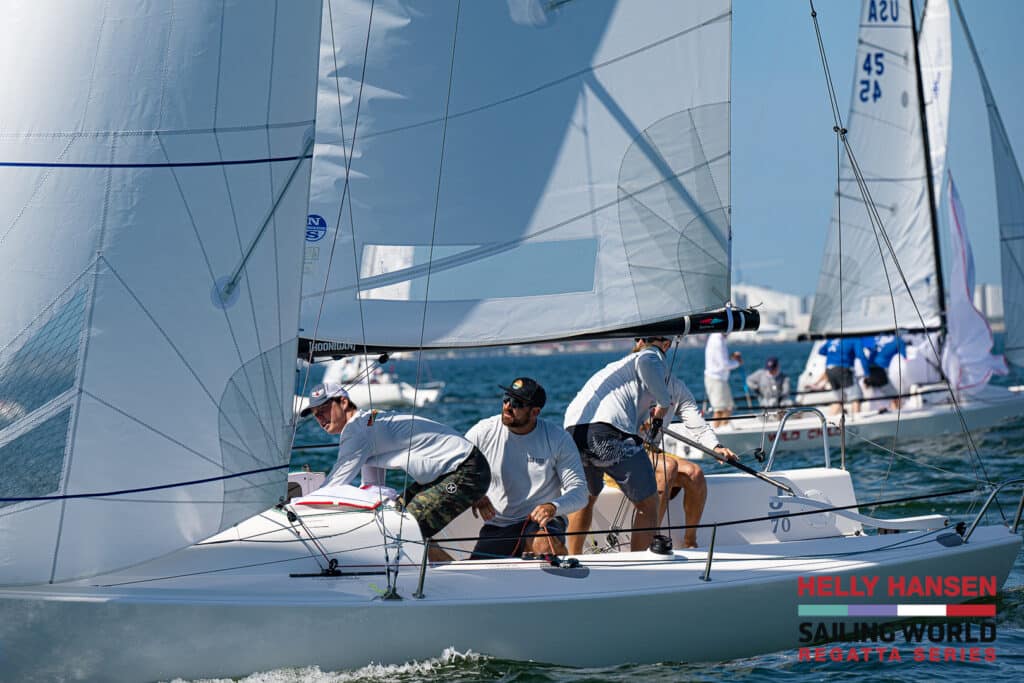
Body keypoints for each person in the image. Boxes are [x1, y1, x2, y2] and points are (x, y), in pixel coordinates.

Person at [301, 381, 489, 560]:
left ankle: (449, 574)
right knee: (396, 519)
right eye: (315, 414)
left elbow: (333, 485)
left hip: (465, 470)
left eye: (324, 410)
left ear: (343, 403)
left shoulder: (357, 432)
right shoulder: (368, 420)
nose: (320, 419)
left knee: (405, 528)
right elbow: (372, 486)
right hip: (455, 469)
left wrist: (298, 509)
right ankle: (436, 567)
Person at [563, 336, 675, 554]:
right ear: (666, 344)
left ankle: (573, 560)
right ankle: (639, 566)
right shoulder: (651, 355)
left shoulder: (614, 367)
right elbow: (646, 362)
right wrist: (663, 404)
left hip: (573, 433)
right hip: (606, 435)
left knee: (585, 499)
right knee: (648, 503)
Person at [465, 377, 587, 559]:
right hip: (498, 525)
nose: (507, 406)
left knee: (544, 546)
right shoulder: (483, 432)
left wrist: (552, 507)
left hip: (541, 522)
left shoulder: (558, 439)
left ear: (535, 412)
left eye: (516, 403)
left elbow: (580, 492)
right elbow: (455, 468)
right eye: (506, 399)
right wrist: (476, 494)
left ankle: (566, 570)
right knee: (471, 572)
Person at [645, 372, 737, 548]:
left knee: (695, 474)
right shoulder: (631, 382)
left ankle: (690, 542)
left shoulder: (676, 387)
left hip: (652, 451)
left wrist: (715, 447)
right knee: (667, 468)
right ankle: (651, 540)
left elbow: (698, 425)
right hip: (627, 450)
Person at [809, 337, 866, 415]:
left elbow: (821, 351)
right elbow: (861, 356)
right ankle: (857, 419)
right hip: (844, 369)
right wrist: (867, 373)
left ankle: (829, 420)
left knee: (839, 399)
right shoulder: (853, 338)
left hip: (829, 371)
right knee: (856, 397)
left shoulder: (831, 339)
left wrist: (834, 355)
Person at [704, 332, 742, 424]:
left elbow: (720, 360)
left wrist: (732, 357)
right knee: (719, 410)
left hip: (720, 379)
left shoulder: (718, 338)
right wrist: (737, 363)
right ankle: (717, 430)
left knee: (728, 408)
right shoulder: (718, 340)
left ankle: (723, 428)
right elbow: (724, 365)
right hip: (716, 379)